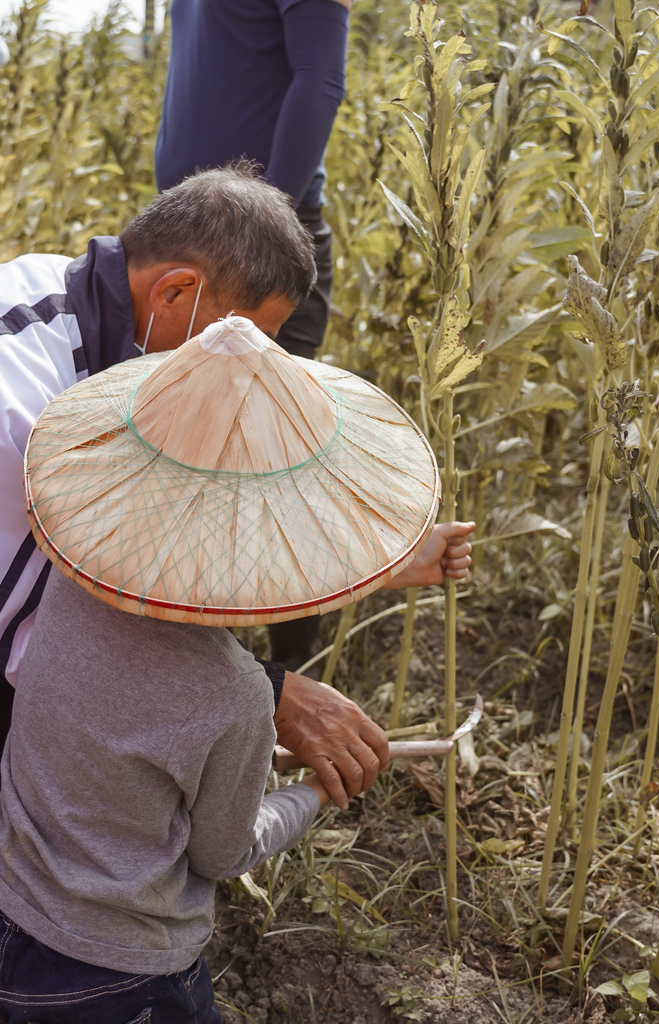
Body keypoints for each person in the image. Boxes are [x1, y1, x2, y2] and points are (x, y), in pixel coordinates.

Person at [0, 314, 468, 1021]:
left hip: (14, 921)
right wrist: (315, 791)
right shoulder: (232, 697)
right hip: (124, 974)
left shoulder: (70, 588)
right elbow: (226, 851)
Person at [0, 163, 473, 808]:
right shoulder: (21, 415)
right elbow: (62, 646)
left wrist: (357, 554)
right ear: (175, 292)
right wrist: (265, 695)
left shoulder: (79, 298)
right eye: (242, 337)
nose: (250, 370)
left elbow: (152, 521)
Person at [155, 0, 353, 671]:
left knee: (274, 472)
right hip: (191, 243)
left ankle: (283, 692)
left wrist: (267, 227)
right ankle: (210, 684)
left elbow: (321, 78)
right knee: (188, 463)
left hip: (261, 252)